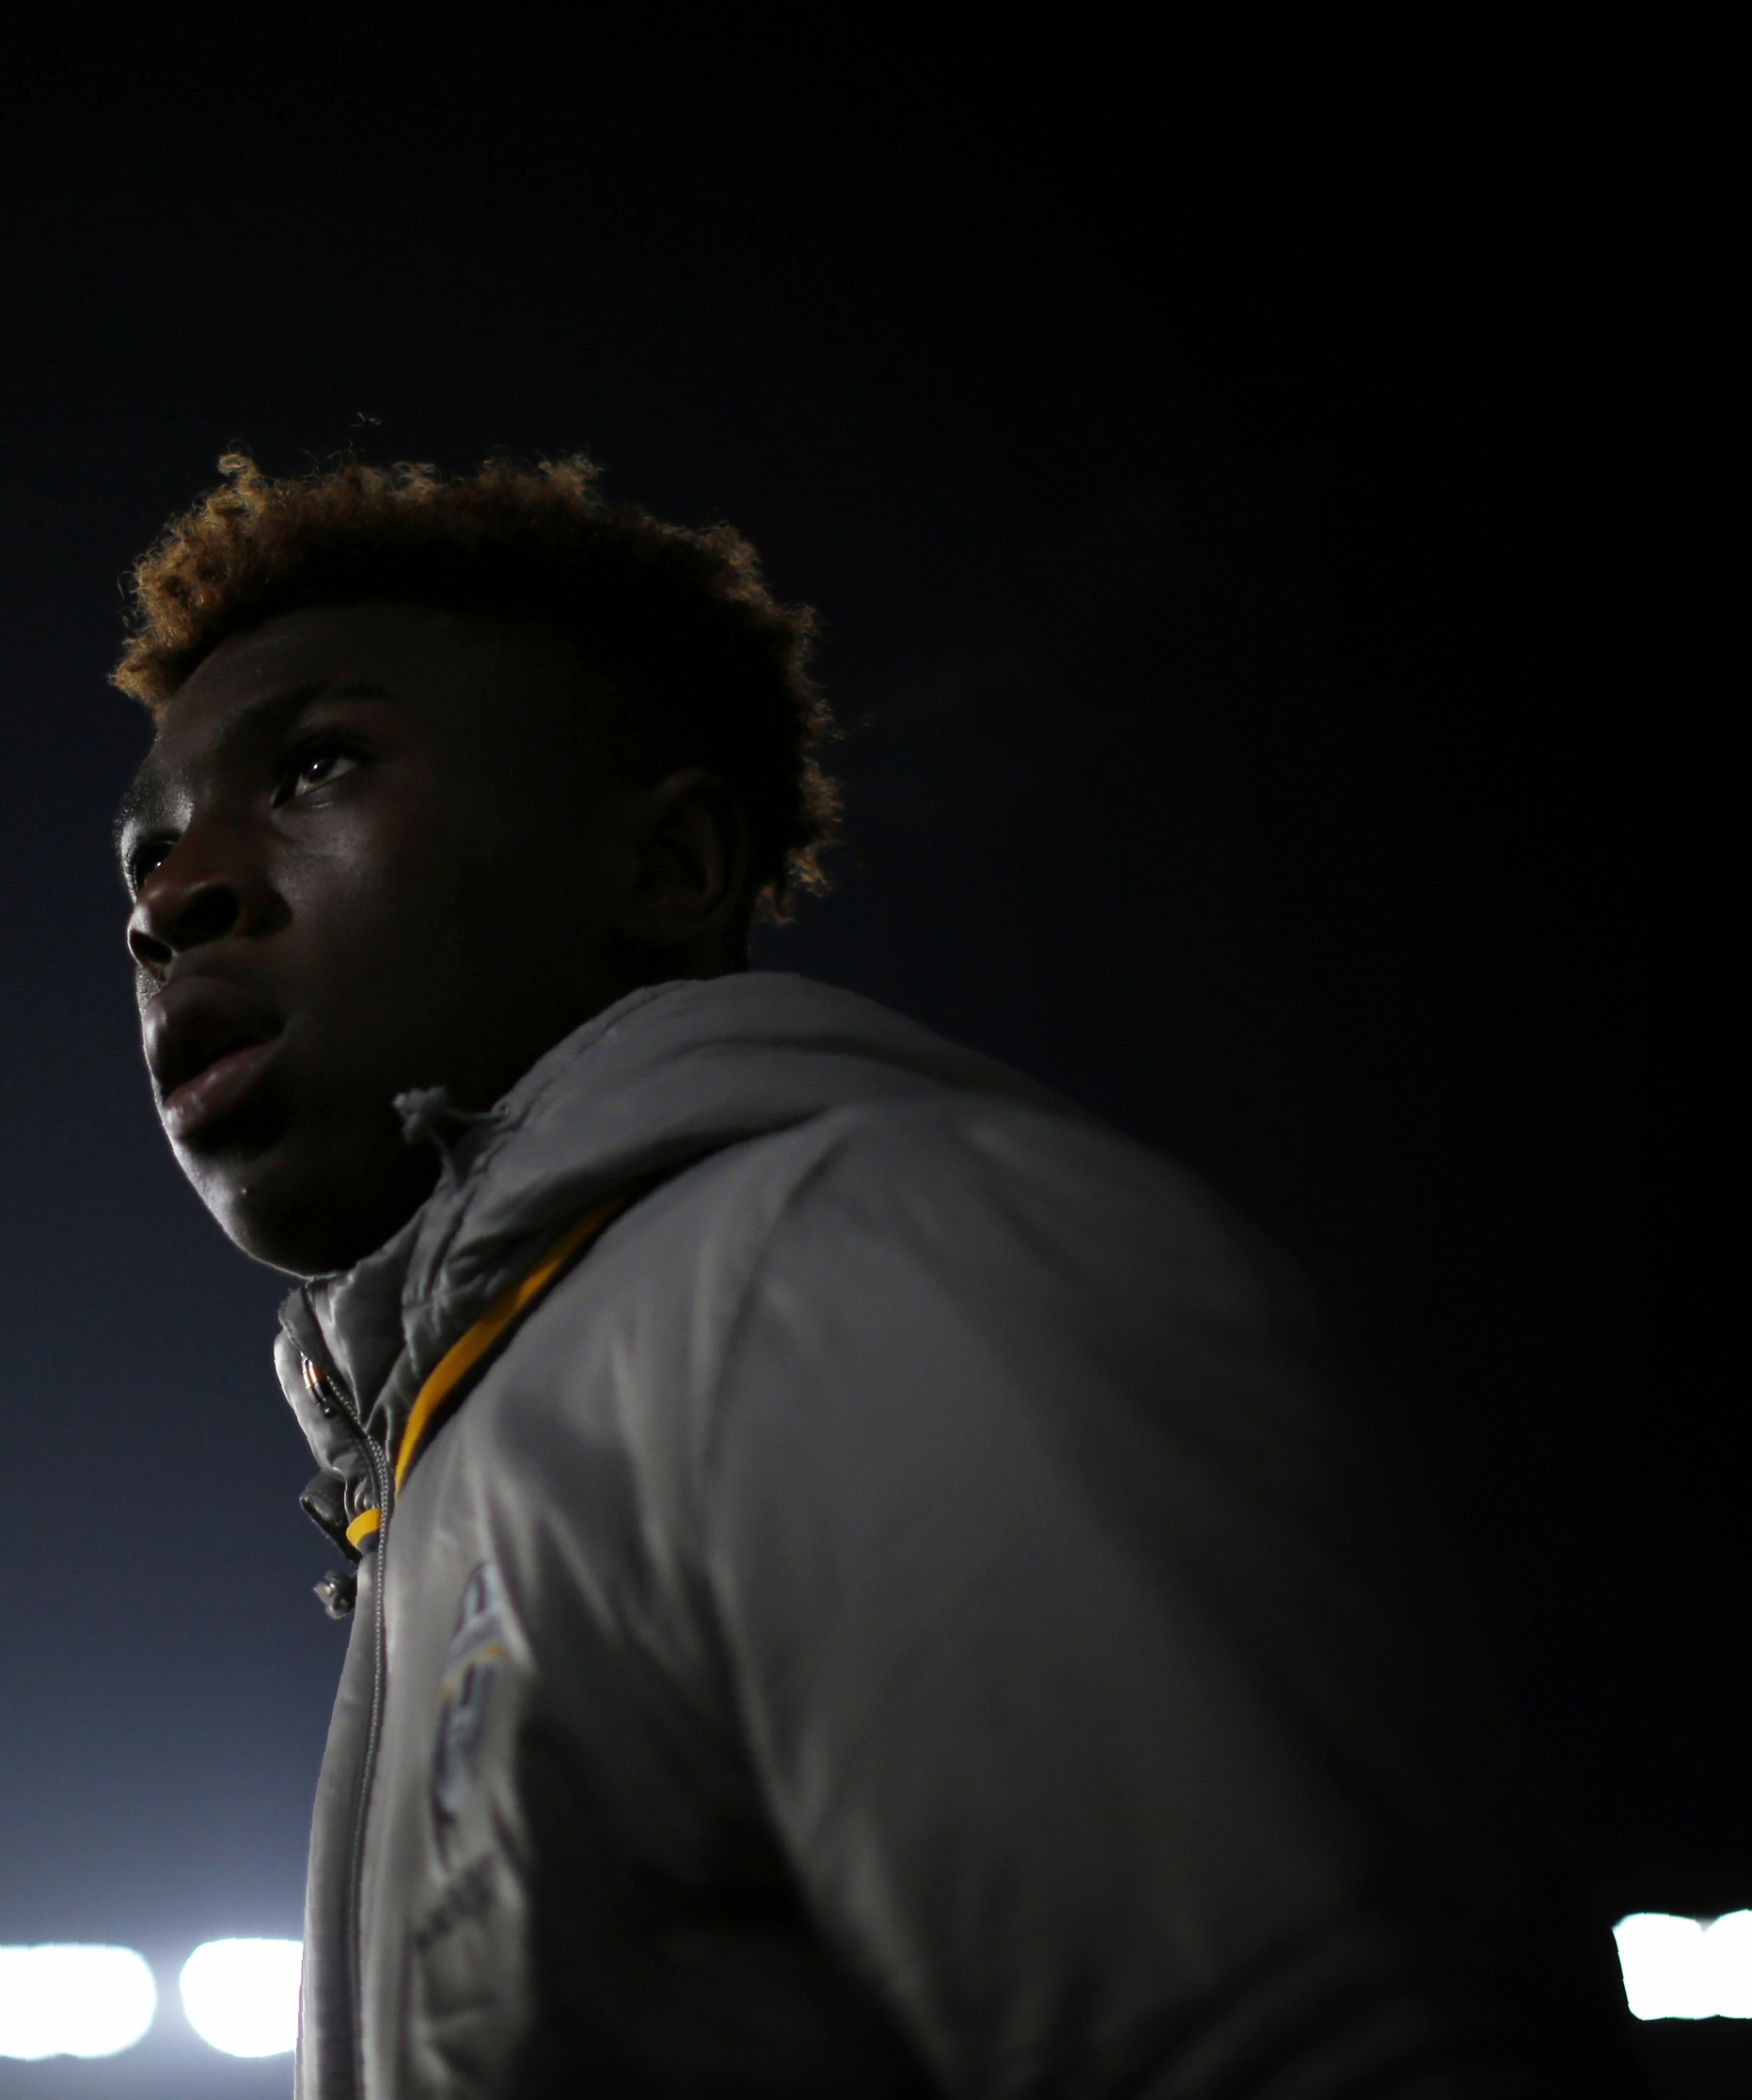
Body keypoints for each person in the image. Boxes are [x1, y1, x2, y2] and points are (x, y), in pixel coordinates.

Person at [107, 456, 1631, 2097]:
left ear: (668, 867)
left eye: (317, 766)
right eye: (147, 856)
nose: (174, 901)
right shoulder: (461, 1463)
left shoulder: (857, 1258)